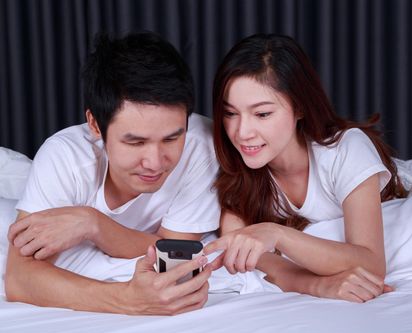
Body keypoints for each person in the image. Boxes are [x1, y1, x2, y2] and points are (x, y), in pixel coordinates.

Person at [5, 32, 220, 315]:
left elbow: (176, 251)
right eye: (136, 142)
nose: (155, 162)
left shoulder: (201, 146)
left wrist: (93, 224)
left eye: (171, 139)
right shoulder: (65, 157)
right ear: (95, 124)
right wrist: (127, 299)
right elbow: (20, 279)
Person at [204, 33, 408, 303]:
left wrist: (276, 234)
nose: (242, 133)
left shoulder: (345, 150)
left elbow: (371, 264)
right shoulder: (236, 169)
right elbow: (249, 257)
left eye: (262, 114)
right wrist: (317, 285)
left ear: (299, 107)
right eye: (230, 113)